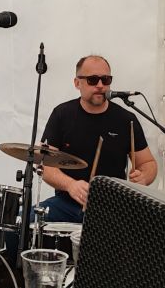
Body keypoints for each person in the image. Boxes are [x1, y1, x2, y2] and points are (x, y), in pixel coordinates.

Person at [39, 55, 158, 222]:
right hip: (67, 203)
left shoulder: (126, 120)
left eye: (106, 79)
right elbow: (45, 165)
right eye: (93, 80)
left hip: (113, 207)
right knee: (25, 220)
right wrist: (71, 185)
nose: (100, 85)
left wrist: (144, 177)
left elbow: (148, 163)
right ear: (77, 83)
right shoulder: (62, 114)